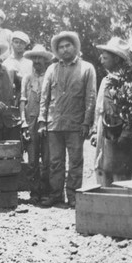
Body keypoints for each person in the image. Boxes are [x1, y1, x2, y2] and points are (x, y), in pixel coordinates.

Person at [38, 31, 96, 208]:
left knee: (75, 162)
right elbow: (44, 97)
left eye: (67, 46)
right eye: (61, 47)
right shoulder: (52, 69)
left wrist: (87, 122)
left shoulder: (87, 68)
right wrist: (42, 121)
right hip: (54, 123)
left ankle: (73, 196)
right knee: (55, 162)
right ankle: (56, 195)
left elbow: (91, 97)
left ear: (75, 47)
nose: (64, 50)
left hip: (76, 124)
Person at [92, 37, 132, 186]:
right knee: (102, 168)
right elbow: (99, 109)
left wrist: (126, 134)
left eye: (105, 57)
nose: (101, 60)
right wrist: (95, 130)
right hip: (104, 131)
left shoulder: (129, 83)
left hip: (121, 133)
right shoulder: (106, 80)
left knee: (120, 174)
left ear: (117, 60)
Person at [20, 45, 53, 204]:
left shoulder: (51, 77)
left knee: (47, 159)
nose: (37, 61)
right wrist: (24, 123)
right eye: (35, 59)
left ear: (46, 61)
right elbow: (22, 101)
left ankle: (46, 192)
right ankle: (34, 192)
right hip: (31, 120)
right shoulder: (27, 78)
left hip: (47, 121)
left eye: (40, 58)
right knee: (32, 159)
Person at [3, 31, 33, 105]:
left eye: (22, 43)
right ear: (12, 43)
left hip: (29, 97)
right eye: (16, 42)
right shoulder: (6, 63)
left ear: (25, 45)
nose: (19, 45)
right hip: (11, 100)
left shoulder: (30, 62)